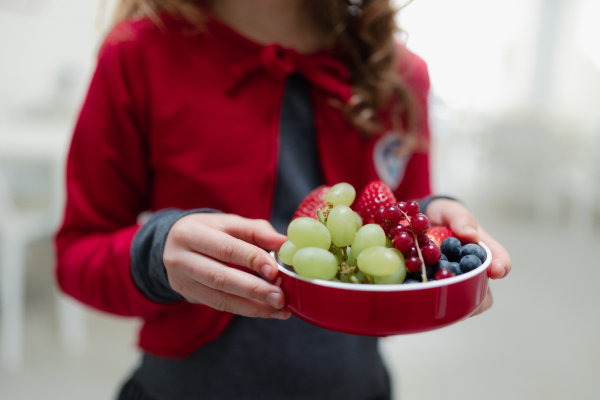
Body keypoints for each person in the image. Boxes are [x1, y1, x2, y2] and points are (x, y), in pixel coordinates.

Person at [54, 0, 512, 399]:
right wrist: (153, 254)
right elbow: (75, 254)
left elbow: (401, 222)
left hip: (356, 386)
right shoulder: (136, 54)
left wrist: (434, 225)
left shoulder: (399, 73)